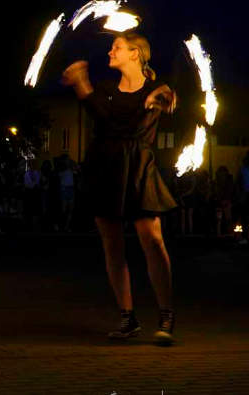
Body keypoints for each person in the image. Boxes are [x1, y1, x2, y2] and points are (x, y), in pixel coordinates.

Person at [61, 32, 179, 345]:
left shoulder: (155, 88)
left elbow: (169, 98)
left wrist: (164, 96)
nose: (110, 51)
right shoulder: (107, 89)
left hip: (139, 166)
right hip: (106, 166)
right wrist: (80, 83)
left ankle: (166, 315)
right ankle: (127, 318)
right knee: (112, 244)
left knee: (152, 239)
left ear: (135, 54)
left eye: (117, 47)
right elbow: (101, 117)